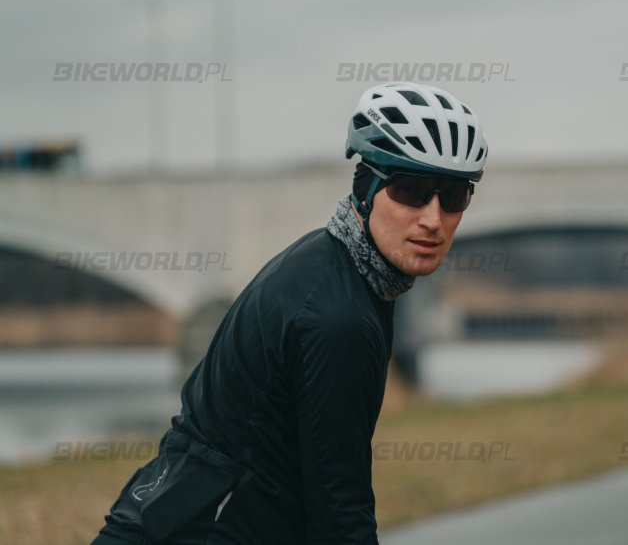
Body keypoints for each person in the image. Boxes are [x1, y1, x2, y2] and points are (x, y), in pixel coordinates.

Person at [91, 81, 488, 544]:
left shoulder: (327, 263)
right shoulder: (338, 318)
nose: (433, 219)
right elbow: (340, 510)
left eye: (453, 197)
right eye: (411, 191)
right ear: (365, 189)